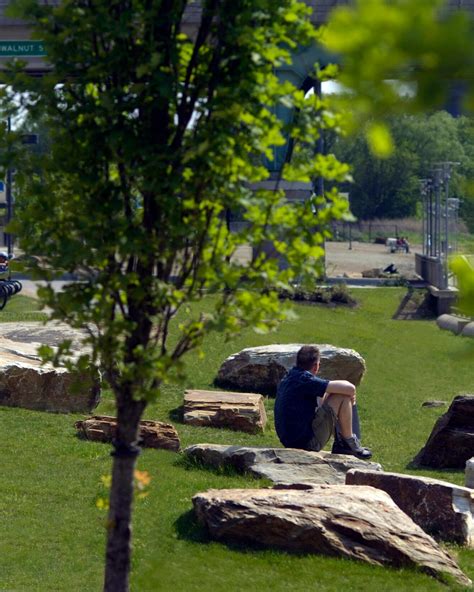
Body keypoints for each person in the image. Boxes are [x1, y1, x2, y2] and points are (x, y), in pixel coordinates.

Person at [274, 345, 372, 459]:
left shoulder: (290, 377)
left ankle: (344, 443)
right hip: (306, 444)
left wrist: (331, 393)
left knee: (333, 392)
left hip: (291, 441)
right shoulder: (306, 380)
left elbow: (322, 400)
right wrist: (349, 395)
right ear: (316, 366)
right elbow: (350, 388)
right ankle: (348, 443)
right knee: (342, 396)